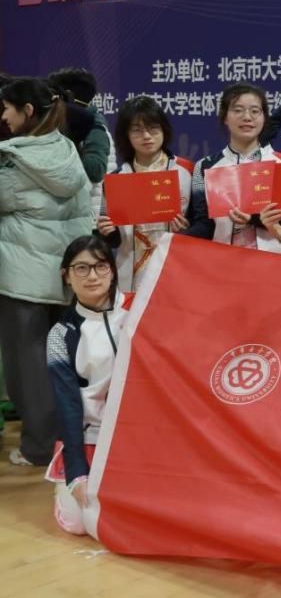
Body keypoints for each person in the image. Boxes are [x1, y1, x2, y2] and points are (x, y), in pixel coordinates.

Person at [0, 78, 92, 467]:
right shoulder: (67, 150)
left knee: (28, 369)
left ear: (27, 111)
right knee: (60, 363)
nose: (3, 116)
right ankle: (64, 441)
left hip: (22, 279)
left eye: (7, 108)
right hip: (61, 276)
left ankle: (38, 448)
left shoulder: (13, 161)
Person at [45, 236, 128, 536]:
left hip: (135, 437)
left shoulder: (138, 311)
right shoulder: (60, 335)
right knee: (80, 524)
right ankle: (64, 487)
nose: (92, 276)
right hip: (90, 436)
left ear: (113, 271)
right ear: (66, 275)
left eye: (100, 266)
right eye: (81, 268)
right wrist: (77, 472)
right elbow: (67, 406)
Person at [182, 82, 281, 252]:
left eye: (255, 111)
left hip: (273, 261)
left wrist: (253, 218)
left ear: (264, 118)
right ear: (225, 117)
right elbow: (204, 225)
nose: (247, 117)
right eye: (238, 110)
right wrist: (175, 238)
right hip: (223, 261)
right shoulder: (205, 167)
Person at [96, 96, 191, 291]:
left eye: (153, 128)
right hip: (131, 275)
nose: (146, 136)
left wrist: (187, 230)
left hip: (177, 271)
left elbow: (202, 225)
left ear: (164, 129)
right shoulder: (115, 180)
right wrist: (107, 231)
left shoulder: (187, 171)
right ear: (126, 135)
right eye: (137, 130)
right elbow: (112, 240)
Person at [48, 68, 114, 216]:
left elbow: (95, 170)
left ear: (68, 96)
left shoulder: (95, 126)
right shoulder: (67, 125)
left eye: (54, 95)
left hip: (90, 218)